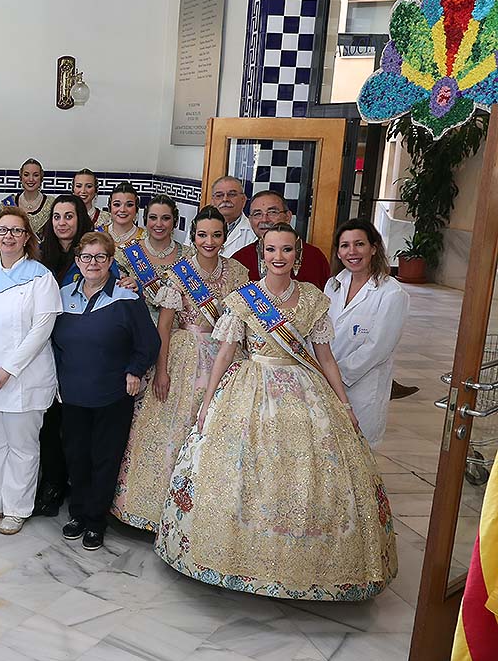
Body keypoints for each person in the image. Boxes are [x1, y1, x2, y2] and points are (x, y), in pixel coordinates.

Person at [155, 223, 398, 600]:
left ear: (297, 255)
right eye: (271, 250)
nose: (278, 257)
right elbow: (224, 354)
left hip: (303, 390)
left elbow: (326, 359)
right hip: (250, 387)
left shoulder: (314, 298)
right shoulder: (243, 299)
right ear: (260, 254)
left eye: (286, 250)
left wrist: (344, 405)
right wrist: (206, 405)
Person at [111, 206, 249, 532]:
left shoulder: (238, 273)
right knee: (170, 431)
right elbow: (164, 328)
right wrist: (161, 371)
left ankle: (204, 517)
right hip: (182, 356)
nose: (209, 241)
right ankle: (157, 511)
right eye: (203, 234)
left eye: (216, 235)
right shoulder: (179, 273)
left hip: (225, 359)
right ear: (193, 236)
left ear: (224, 238)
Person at [52, 231, 160, 550]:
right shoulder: (62, 295)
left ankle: (96, 521)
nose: (93, 263)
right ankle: (78, 514)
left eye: (100, 257)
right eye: (86, 257)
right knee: (76, 455)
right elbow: (52, 341)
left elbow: (149, 342)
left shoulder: (126, 298)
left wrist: (135, 370)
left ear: (111, 262)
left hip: (112, 393)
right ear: (77, 262)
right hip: (72, 392)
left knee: (105, 458)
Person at [0, 207, 61, 536]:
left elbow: (41, 330)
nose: (9, 236)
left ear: (27, 238)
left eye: (16, 231)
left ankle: (17, 509)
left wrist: (8, 369)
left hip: (24, 379)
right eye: (3, 230)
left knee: (22, 446)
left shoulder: (40, 277)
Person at [324, 218, 410, 446]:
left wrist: (335, 375)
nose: (352, 251)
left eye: (359, 244)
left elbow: (377, 349)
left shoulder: (392, 294)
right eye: (345, 245)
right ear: (339, 253)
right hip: (326, 384)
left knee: (359, 459)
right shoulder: (333, 285)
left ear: (373, 248)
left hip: (361, 390)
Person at [231, 189, 330, 289]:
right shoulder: (240, 260)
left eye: (272, 212)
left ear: (288, 217)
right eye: (257, 214)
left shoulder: (314, 257)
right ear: (250, 220)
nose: (264, 219)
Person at [116, 194, 183, 325]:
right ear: (145, 220)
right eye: (153, 218)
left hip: (177, 333)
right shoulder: (125, 254)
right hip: (136, 327)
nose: (159, 224)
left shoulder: (188, 256)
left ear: (175, 221)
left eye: (166, 218)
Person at [1, 158, 53, 238]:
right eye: (26, 175)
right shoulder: (7, 204)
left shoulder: (51, 203)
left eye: (35, 175)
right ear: (21, 177)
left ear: (41, 178)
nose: (31, 179)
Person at [210, 175, 255, 255]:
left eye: (232, 194)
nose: (225, 199)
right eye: (219, 195)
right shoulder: (198, 226)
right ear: (212, 201)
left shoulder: (253, 232)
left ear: (243, 200)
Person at [103, 181, 146, 252]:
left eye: (129, 205)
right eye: (117, 205)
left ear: (136, 208)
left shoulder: (146, 237)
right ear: (109, 207)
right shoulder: (98, 234)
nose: (122, 210)